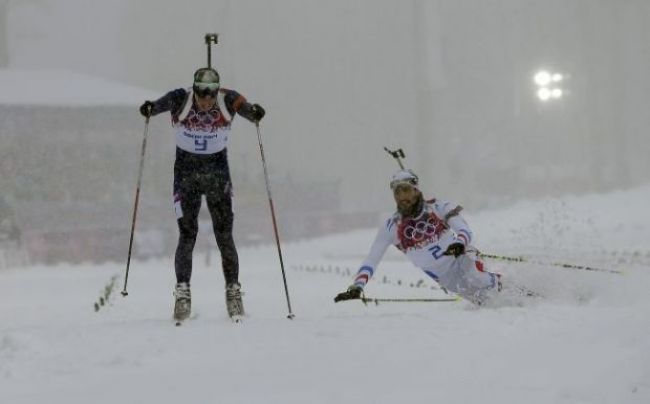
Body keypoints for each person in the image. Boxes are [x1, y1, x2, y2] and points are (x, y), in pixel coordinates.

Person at [139, 67, 265, 322]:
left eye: (210, 94)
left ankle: (233, 291)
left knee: (224, 235)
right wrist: (151, 107)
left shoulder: (227, 99)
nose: (206, 100)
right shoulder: (181, 98)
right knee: (187, 234)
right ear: (194, 89)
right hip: (186, 177)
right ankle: (183, 292)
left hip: (217, 177)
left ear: (217, 91)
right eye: (201, 93)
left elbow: (245, 108)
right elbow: (161, 104)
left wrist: (254, 113)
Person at [334, 169, 502, 305]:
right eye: (397, 192)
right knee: (485, 302)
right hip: (444, 277)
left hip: (461, 258)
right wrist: (358, 286)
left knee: (478, 278)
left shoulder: (437, 207)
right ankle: (511, 304)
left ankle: (521, 291)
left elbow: (465, 231)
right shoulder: (391, 226)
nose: (402, 197)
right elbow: (372, 260)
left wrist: (459, 243)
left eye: (406, 190)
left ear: (416, 190)